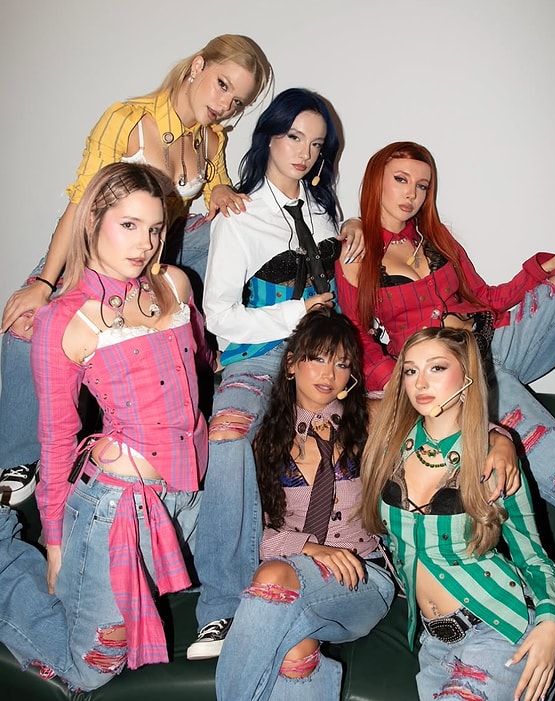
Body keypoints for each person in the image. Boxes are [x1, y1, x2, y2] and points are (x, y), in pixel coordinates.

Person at [0, 34, 273, 505]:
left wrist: (221, 192)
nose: (226, 105)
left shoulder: (211, 138)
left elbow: (218, 186)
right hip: (96, 248)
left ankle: (230, 336)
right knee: (28, 327)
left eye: (238, 101)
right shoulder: (128, 119)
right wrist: (44, 282)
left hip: (156, 253)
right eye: (222, 85)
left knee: (235, 226)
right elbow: (80, 204)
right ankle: (17, 462)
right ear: (197, 66)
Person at [0, 162, 210, 691]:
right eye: (129, 225)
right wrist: (54, 546)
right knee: (94, 668)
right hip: (114, 507)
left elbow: (200, 369)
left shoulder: (174, 284)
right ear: (93, 219)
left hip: (186, 497)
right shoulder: (62, 318)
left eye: (155, 228)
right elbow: (56, 440)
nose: (145, 243)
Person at [336, 141, 555, 540]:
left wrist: (550, 264)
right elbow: (358, 336)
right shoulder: (357, 253)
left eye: (422, 186)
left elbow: (485, 297)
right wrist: (400, 380)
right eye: (401, 180)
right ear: (376, 182)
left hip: (498, 338)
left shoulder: (436, 237)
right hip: (460, 376)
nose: (412, 194)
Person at [186, 87, 349, 659]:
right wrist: (294, 313)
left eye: (317, 144)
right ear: (270, 138)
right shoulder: (240, 216)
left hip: (325, 360)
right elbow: (218, 315)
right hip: (258, 356)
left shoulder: (326, 213)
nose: (304, 152)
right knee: (228, 437)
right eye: (294, 137)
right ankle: (220, 609)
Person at [359, 327, 555, 701]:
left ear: (467, 374)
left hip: (501, 628)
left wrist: (552, 622)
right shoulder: (388, 447)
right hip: (434, 644)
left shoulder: (493, 462)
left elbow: (534, 556)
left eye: (436, 368)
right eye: (410, 370)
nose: (421, 382)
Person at [215, 307, 396, 701]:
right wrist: (310, 548)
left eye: (342, 364)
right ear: (292, 364)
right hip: (294, 578)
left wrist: (499, 439)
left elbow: (441, 415)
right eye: (318, 359)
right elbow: (245, 533)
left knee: (272, 577)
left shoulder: (370, 417)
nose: (329, 374)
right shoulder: (263, 439)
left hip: (362, 577)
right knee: (296, 649)